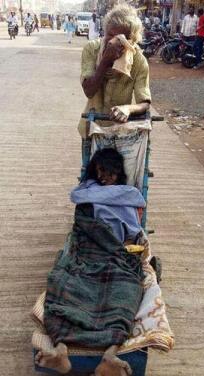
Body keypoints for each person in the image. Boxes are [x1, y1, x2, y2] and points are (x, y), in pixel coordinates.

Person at [34, 148, 145, 376]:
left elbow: (134, 233)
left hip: (115, 253)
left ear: (118, 172)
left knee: (126, 291)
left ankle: (110, 355)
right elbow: (81, 224)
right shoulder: (87, 192)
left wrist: (125, 247)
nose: (104, 178)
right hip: (87, 251)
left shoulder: (127, 194)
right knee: (64, 285)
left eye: (109, 173)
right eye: (100, 172)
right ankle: (61, 350)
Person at [79, 4, 151, 141]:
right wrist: (105, 61)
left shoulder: (139, 61)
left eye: (122, 38)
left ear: (132, 40)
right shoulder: (92, 49)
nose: (114, 42)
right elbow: (89, 91)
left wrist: (128, 109)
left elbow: (145, 102)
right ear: (104, 32)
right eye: (110, 35)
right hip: (91, 128)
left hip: (120, 132)